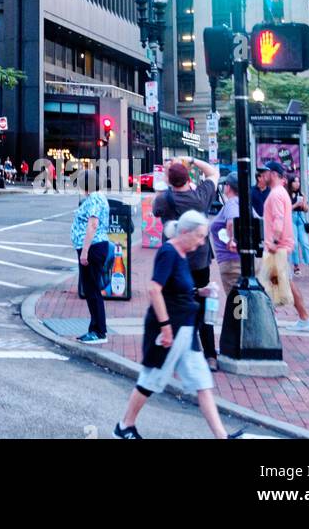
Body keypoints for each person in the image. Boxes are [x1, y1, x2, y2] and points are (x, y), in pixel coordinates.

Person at [114, 212, 242, 440]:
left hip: (185, 330)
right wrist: (164, 327)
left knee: (202, 382)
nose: (202, 242)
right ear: (185, 232)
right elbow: (155, 289)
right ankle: (125, 426)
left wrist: (199, 292)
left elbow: (176, 289)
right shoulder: (169, 252)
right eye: (199, 236)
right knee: (151, 378)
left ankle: (222, 436)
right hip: (170, 329)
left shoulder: (181, 254)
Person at [152, 157, 220, 366]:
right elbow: (213, 173)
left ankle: (175, 350)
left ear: (170, 181)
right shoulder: (200, 196)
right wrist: (192, 160)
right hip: (200, 260)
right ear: (189, 178)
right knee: (202, 303)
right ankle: (210, 355)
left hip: (175, 260)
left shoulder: (165, 199)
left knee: (173, 302)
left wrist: (166, 175)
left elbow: (156, 210)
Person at [258, 161, 309, 330]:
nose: (262, 175)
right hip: (281, 246)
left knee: (270, 282)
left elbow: (278, 220)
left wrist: (274, 242)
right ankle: (302, 317)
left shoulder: (276, 194)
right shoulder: (281, 192)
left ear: (274, 174)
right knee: (278, 281)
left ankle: (295, 318)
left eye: (265, 172)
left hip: (277, 246)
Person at [71, 168, 112, 345]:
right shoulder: (97, 197)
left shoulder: (95, 198)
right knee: (91, 289)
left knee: (92, 290)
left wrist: (85, 251)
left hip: (93, 248)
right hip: (94, 247)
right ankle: (94, 328)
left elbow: (93, 225)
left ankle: (99, 331)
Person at [209, 173, 241, 297]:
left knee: (237, 303)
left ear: (228, 187)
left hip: (232, 262)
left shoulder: (232, 203)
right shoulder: (243, 202)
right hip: (238, 261)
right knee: (242, 301)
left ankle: (240, 317)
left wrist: (232, 240)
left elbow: (232, 221)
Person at [288, 174, 309, 278]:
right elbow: (286, 209)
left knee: (305, 243)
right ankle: (296, 265)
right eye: (295, 182)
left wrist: (303, 204)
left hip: (301, 218)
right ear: (290, 183)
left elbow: (306, 209)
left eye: (298, 182)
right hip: (291, 218)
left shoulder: (302, 194)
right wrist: (296, 205)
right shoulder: (287, 194)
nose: (297, 184)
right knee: (294, 243)